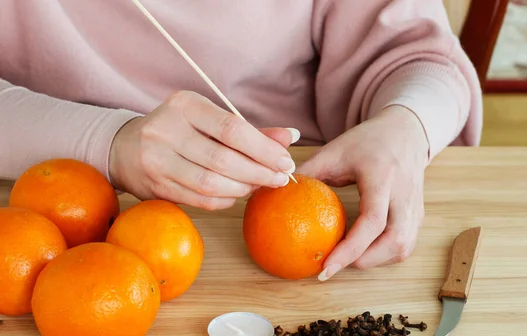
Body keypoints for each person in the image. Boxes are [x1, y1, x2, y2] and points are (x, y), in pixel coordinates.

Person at [0, 0, 482, 281]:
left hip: (308, 213)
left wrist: (404, 126)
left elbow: (419, 58)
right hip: (57, 231)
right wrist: (108, 142)